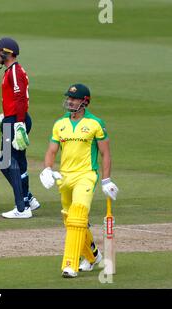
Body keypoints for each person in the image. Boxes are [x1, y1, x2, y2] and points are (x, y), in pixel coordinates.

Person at [39, 83, 119, 278]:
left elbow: (105, 153)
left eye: (74, 99)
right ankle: (93, 257)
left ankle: (70, 265)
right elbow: (51, 150)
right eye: (69, 97)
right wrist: (47, 169)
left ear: (85, 102)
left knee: (78, 216)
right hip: (64, 177)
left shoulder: (95, 124)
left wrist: (106, 180)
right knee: (70, 220)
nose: (69, 101)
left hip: (86, 176)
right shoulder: (60, 124)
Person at [0, 37, 40, 219]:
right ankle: (27, 199)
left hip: (17, 120)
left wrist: (18, 124)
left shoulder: (14, 72)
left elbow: (20, 99)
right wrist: (4, 117)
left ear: (7, 53)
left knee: (8, 161)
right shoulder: (12, 70)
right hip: (13, 119)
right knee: (17, 162)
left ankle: (21, 208)